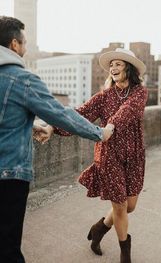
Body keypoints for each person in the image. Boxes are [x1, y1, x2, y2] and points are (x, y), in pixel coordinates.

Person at [0, 16, 114, 263]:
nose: (26, 47)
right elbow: (61, 114)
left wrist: (29, 123)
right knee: (7, 249)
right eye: (25, 42)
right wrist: (100, 133)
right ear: (14, 45)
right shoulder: (21, 79)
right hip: (8, 175)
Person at [37, 48, 148, 263]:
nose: (113, 68)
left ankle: (99, 229)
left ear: (129, 67)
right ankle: (126, 255)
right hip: (109, 155)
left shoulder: (140, 92)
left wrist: (111, 125)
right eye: (111, 65)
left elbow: (128, 109)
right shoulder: (104, 96)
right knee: (119, 205)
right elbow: (79, 115)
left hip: (134, 155)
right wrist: (52, 127)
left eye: (118, 63)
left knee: (130, 206)